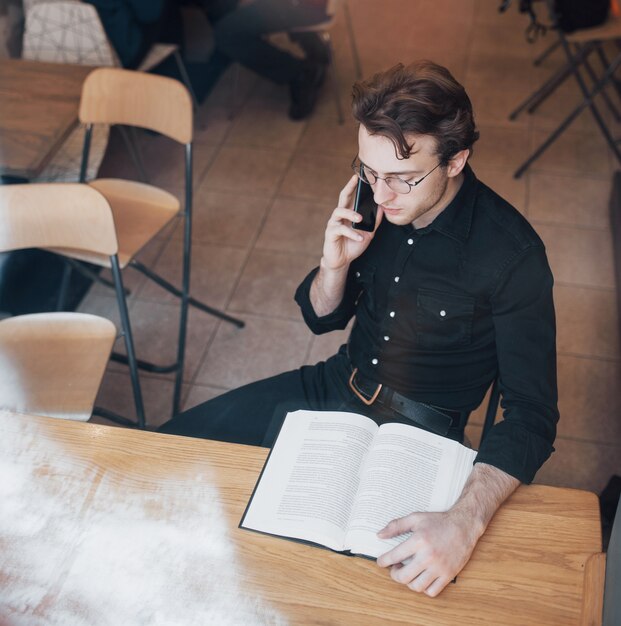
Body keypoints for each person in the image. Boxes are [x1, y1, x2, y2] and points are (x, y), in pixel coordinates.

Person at [159, 60, 559, 596]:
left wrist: (466, 519)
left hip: (422, 433)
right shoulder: (375, 198)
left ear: (456, 159)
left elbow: (532, 416)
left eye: (401, 178)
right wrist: (334, 264)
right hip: (332, 386)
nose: (382, 193)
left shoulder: (513, 256)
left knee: (321, 583)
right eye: (370, 171)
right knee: (172, 453)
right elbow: (322, 317)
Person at [196, 0, 331, 119]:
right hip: (303, 6)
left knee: (226, 34)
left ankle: (300, 73)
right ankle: (313, 46)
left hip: (303, 8)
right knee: (223, 10)